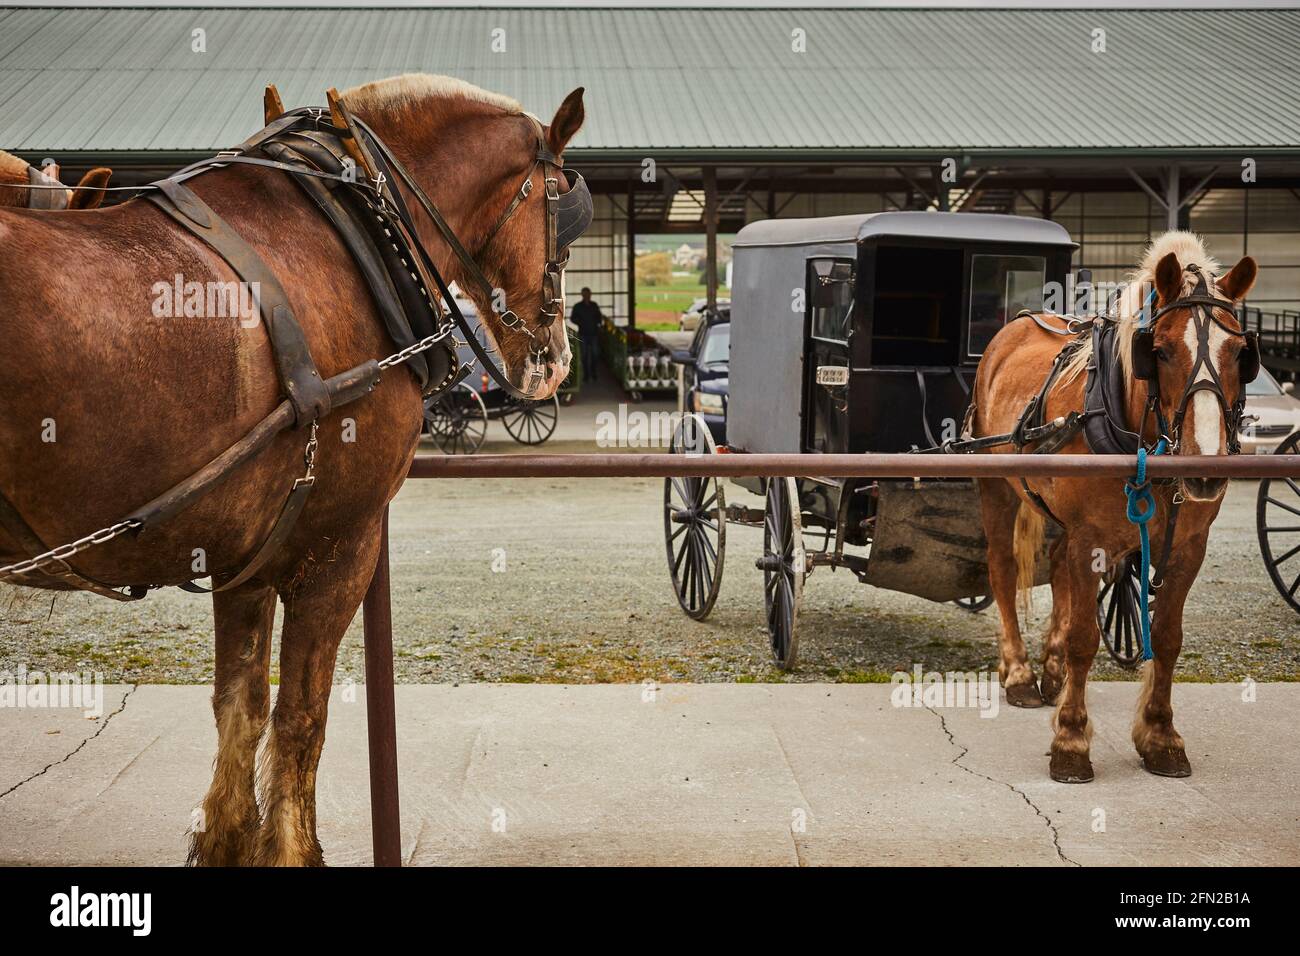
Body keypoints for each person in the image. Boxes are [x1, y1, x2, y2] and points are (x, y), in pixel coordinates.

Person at [570, 287, 604, 383]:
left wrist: (598, 324)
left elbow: (599, 317)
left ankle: (594, 373)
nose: (586, 296)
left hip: (594, 334)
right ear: (582, 295)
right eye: (584, 294)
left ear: (590, 294)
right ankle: (586, 375)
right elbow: (573, 318)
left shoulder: (594, 305)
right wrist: (580, 322)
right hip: (583, 334)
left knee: (595, 354)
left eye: (588, 294)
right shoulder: (578, 306)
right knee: (584, 356)